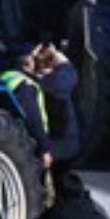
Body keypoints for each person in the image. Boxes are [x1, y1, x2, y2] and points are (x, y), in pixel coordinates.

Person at [0, 46, 52, 174]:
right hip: (29, 142)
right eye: (33, 59)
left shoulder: (6, 78)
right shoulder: (26, 85)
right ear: (27, 63)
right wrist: (44, 148)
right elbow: (33, 118)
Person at [35, 44, 80, 182]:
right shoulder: (57, 83)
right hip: (62, 145)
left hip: (44, 144)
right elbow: (69, 72)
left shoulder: (32, 83)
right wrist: (62, 61)